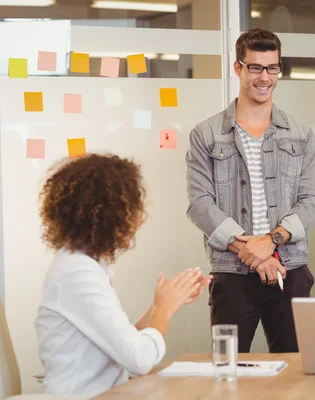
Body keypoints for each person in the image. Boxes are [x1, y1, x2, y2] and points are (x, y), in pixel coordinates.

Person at [185, 28, 315, 353]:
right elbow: (200, 204)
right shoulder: (206, 135)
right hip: (232, 274)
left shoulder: (302, 135)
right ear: (238, 68)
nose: (265, 77)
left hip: (289, 268)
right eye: (256, 67)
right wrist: (254, 253)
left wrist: (270, 243)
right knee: (229, 370)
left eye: (272, 67)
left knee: (296, 374)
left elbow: (312, 202)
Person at [36, 154, 212, 397]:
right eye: (134, 209)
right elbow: (139, 359)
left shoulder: (83, 265)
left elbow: (123, 340)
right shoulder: (77, 273)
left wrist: (160, 303)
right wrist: (164, 309)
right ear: (111, 215)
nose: (140, 219)